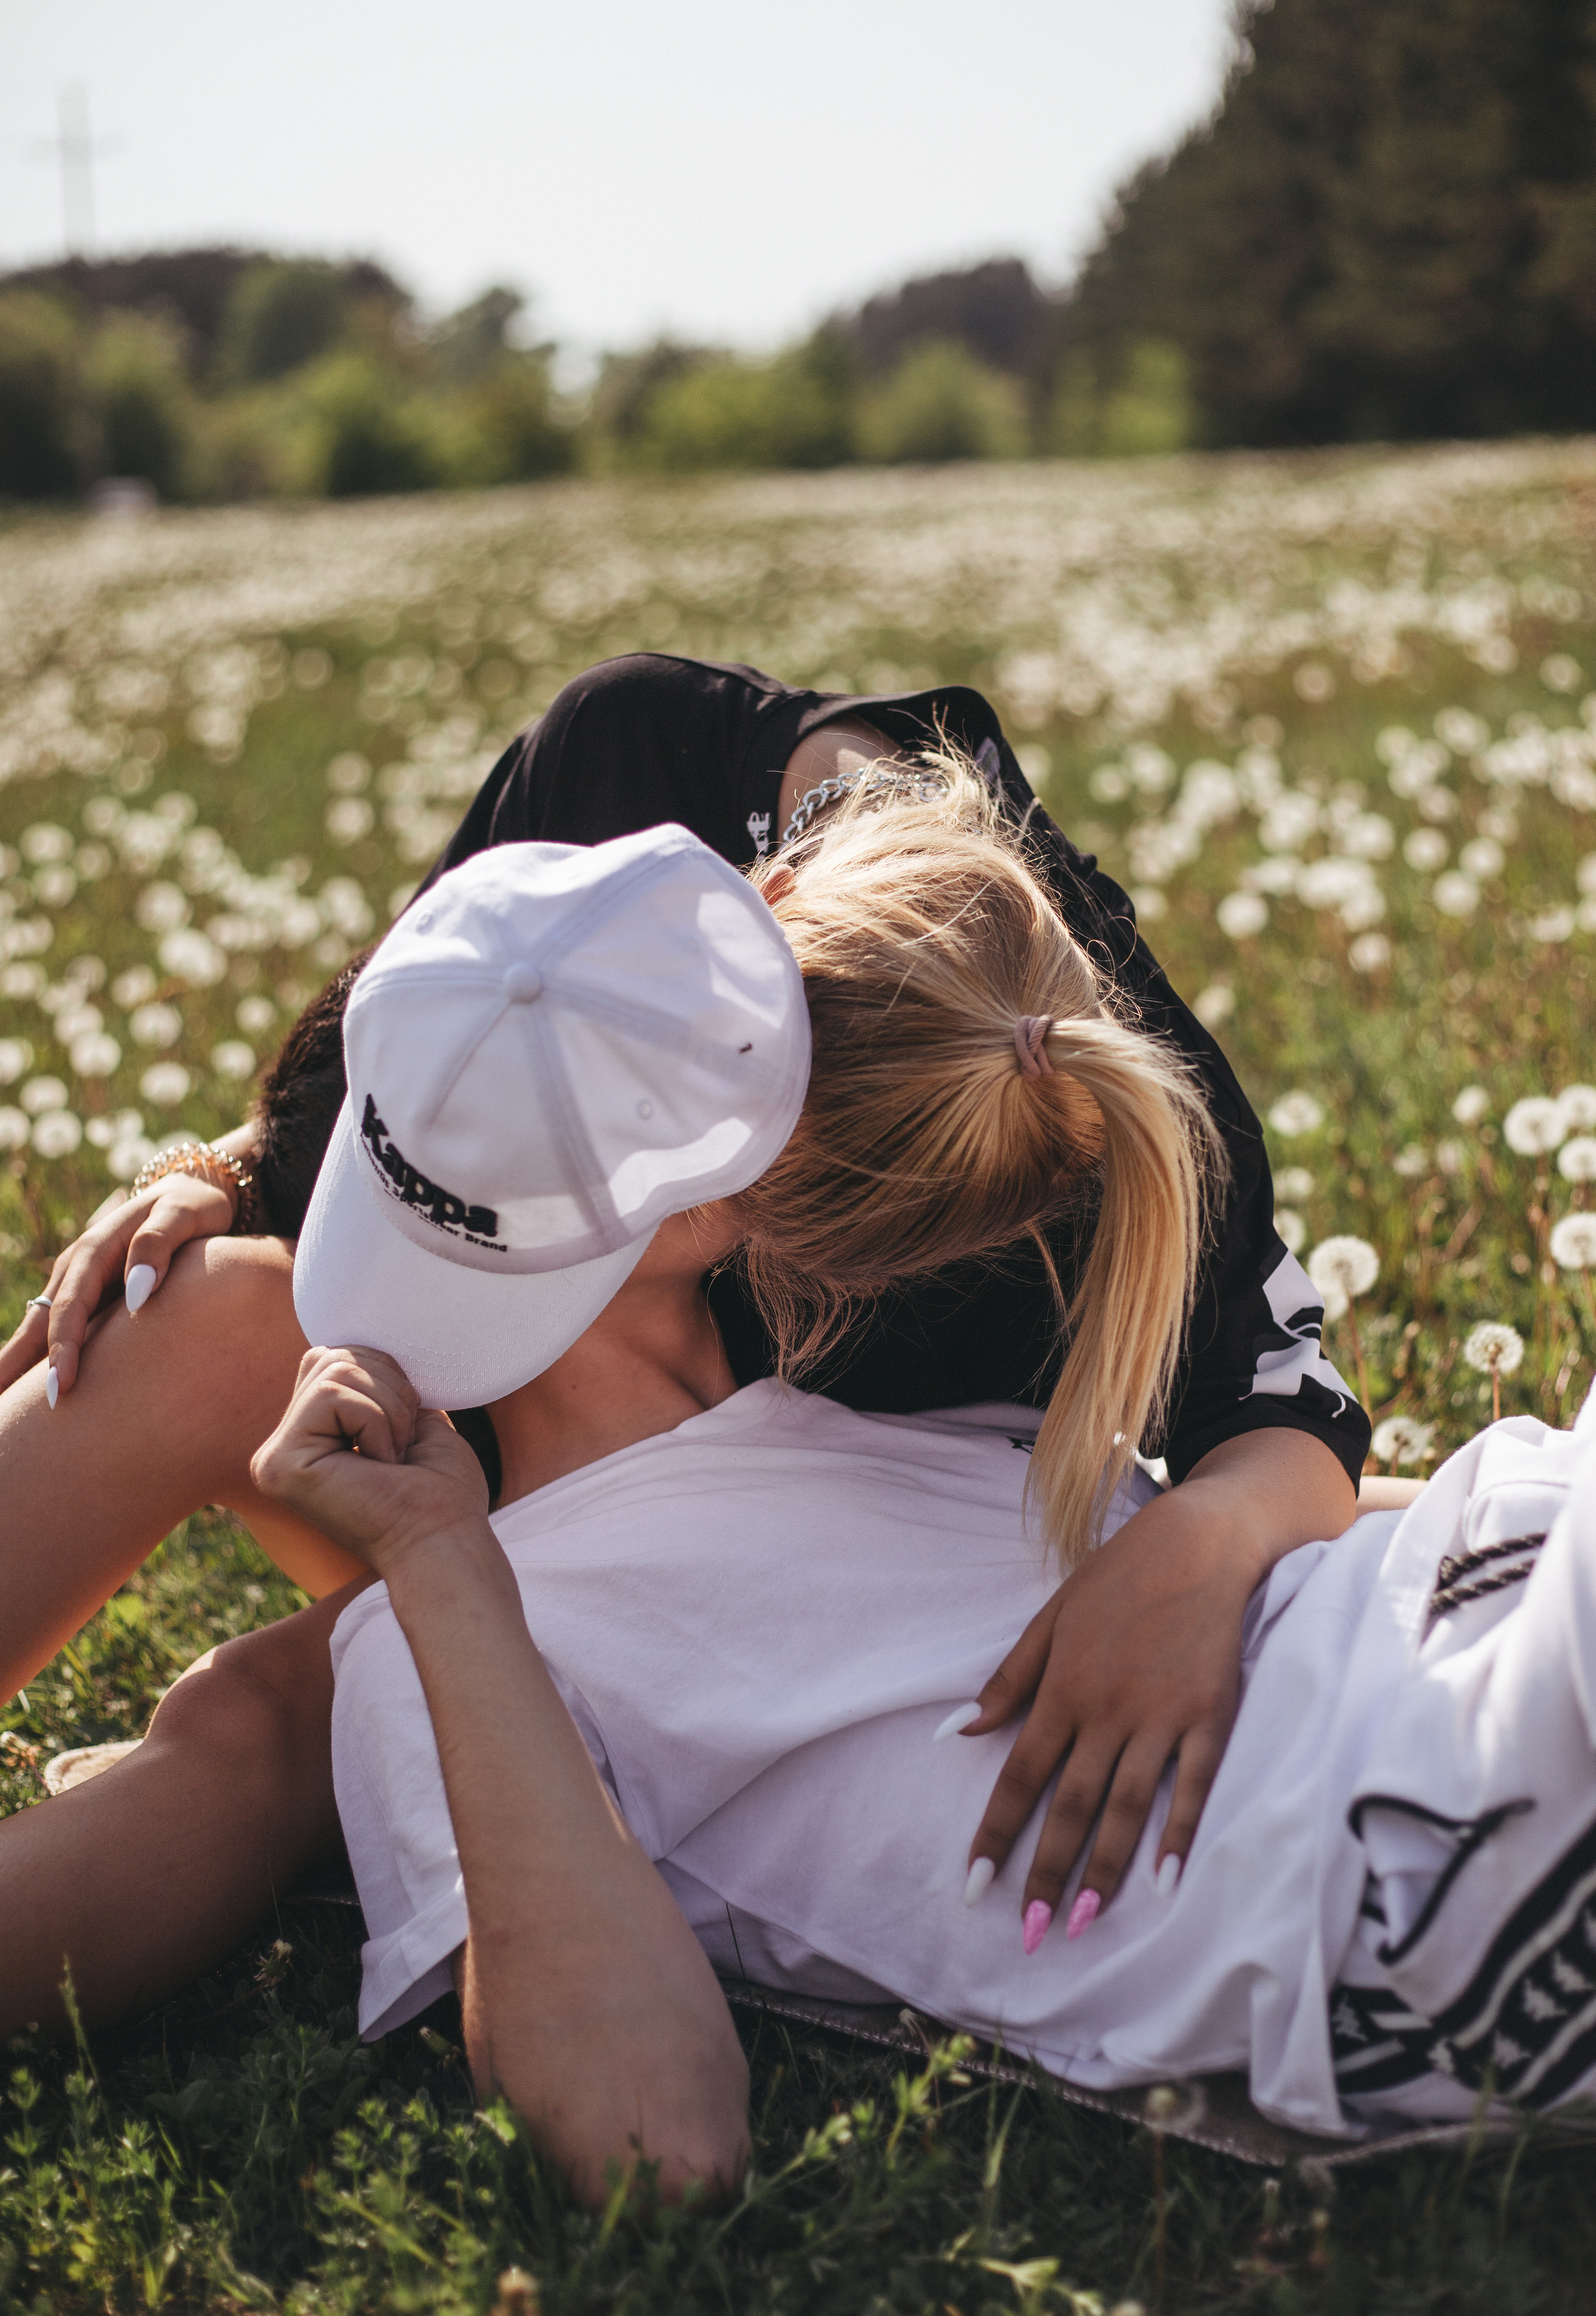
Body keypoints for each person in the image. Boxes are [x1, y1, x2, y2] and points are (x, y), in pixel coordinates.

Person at [0, 662, 1370, 1966]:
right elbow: (426, 1070)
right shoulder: (629, 762)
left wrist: (1194, 1549)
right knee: (189, 1327)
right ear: (757, 899)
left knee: (268, 1711)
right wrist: (224, 1170)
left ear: (793, 1249)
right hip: (499, 1402)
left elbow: (1280, 1404)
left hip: (734, 1578)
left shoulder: (1094, 1153)